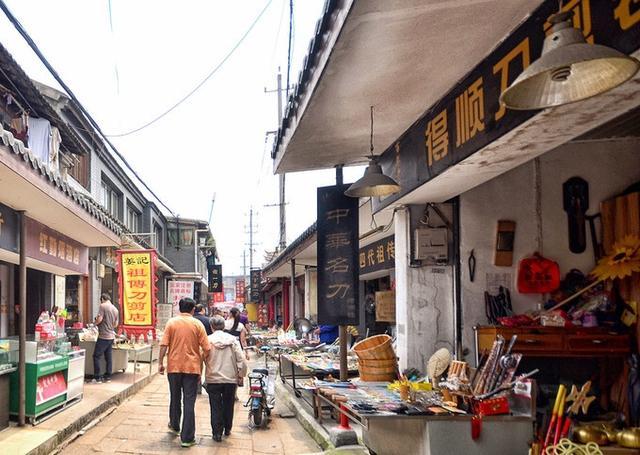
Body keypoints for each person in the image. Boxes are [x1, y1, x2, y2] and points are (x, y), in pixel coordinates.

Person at [159, 297, 210, 448]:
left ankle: (175, 426)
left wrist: (160, 363)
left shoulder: (171, 323)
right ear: (193, 309)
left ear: (179, 308)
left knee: (175, 397)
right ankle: (187, 438)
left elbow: (163, 344)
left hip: (173, 367)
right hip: (192, 369)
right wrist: (202, 359)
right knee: (189, 401)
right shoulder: (197, 324)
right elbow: (207, 348)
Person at [204, 315, 247, 442]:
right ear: (223, 326)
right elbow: (241, 359)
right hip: (230, 379)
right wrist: (241, 375)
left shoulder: (207, 340)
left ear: (211, 327)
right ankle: (227, 428)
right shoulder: (233, 340)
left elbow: (201, 357)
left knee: (215, 406)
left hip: (213, 379)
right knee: (229, 405)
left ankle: (216, 433)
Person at [92, 293, 119, 383]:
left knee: (96, 356)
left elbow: (99, 319)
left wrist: (94, 323)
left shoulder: (103, 306)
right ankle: (108, 377)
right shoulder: (115, 309)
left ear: (102, 299)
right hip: (111, 336)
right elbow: (116, 324)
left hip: (103, 336)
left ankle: (97, 377)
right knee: (108, 357)